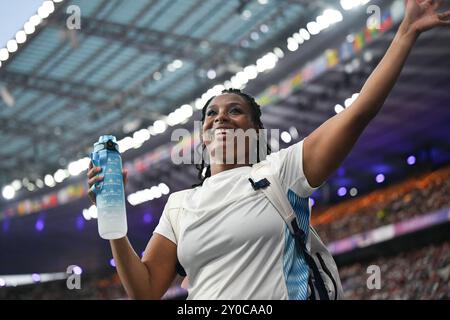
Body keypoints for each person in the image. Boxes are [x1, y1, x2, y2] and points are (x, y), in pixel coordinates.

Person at [87, 0, 450, 300]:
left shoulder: (281, 171)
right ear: (202, 136)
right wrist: (113, 217)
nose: (221, 118)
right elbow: (145, 291)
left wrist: (405, 33)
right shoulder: (180, 206)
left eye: (235, 111)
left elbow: (359, 112)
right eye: (211, 114)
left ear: (256, 131)